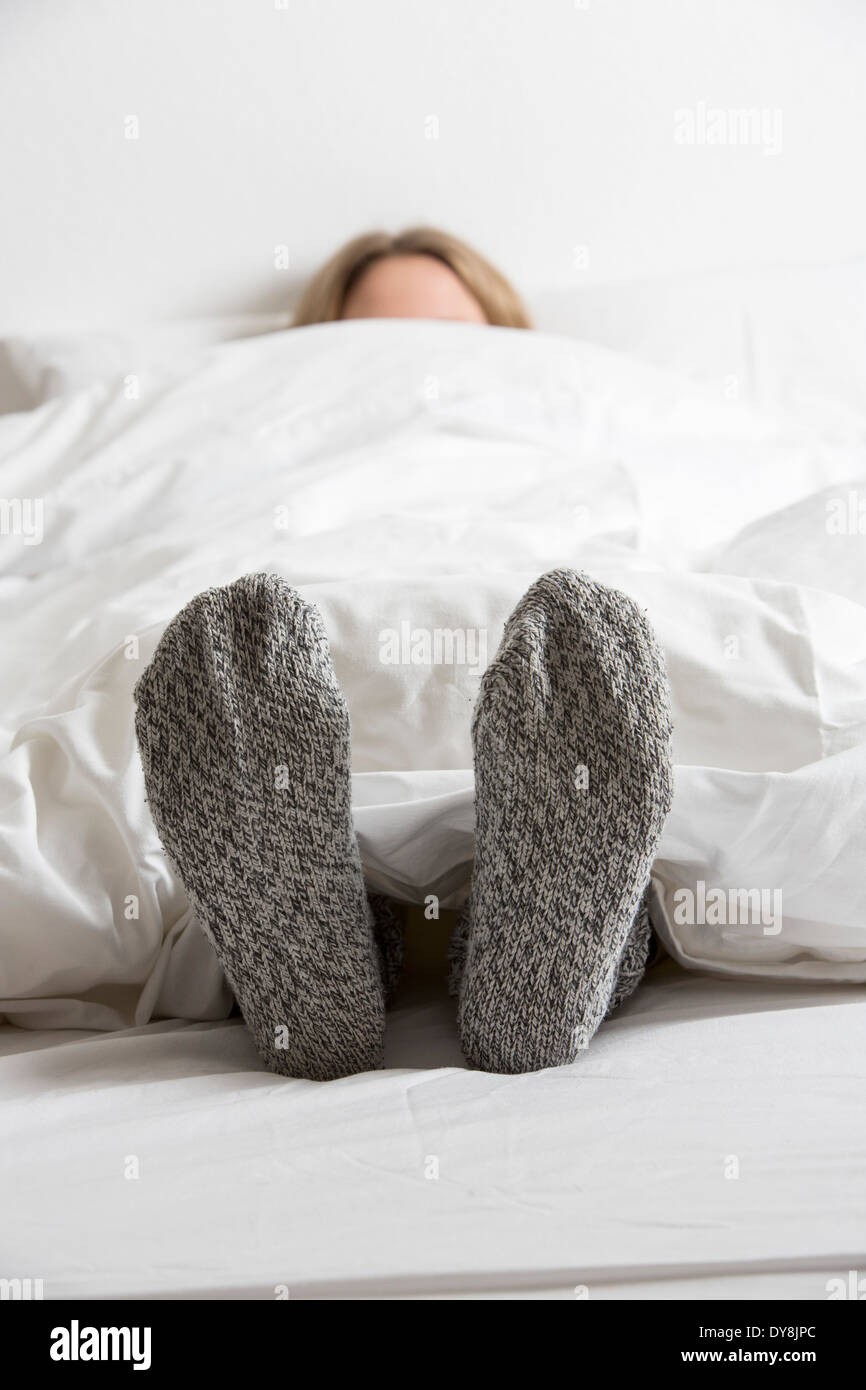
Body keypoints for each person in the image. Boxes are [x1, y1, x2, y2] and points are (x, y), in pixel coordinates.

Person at [133, 229, 674, 1082]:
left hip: (508, 524)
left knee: (593, 778)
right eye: (372, 346)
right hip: (334, 529)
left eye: (448, 341)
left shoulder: (576, 415)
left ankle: (331, 964)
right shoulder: (262, 432)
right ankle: (529, 968)